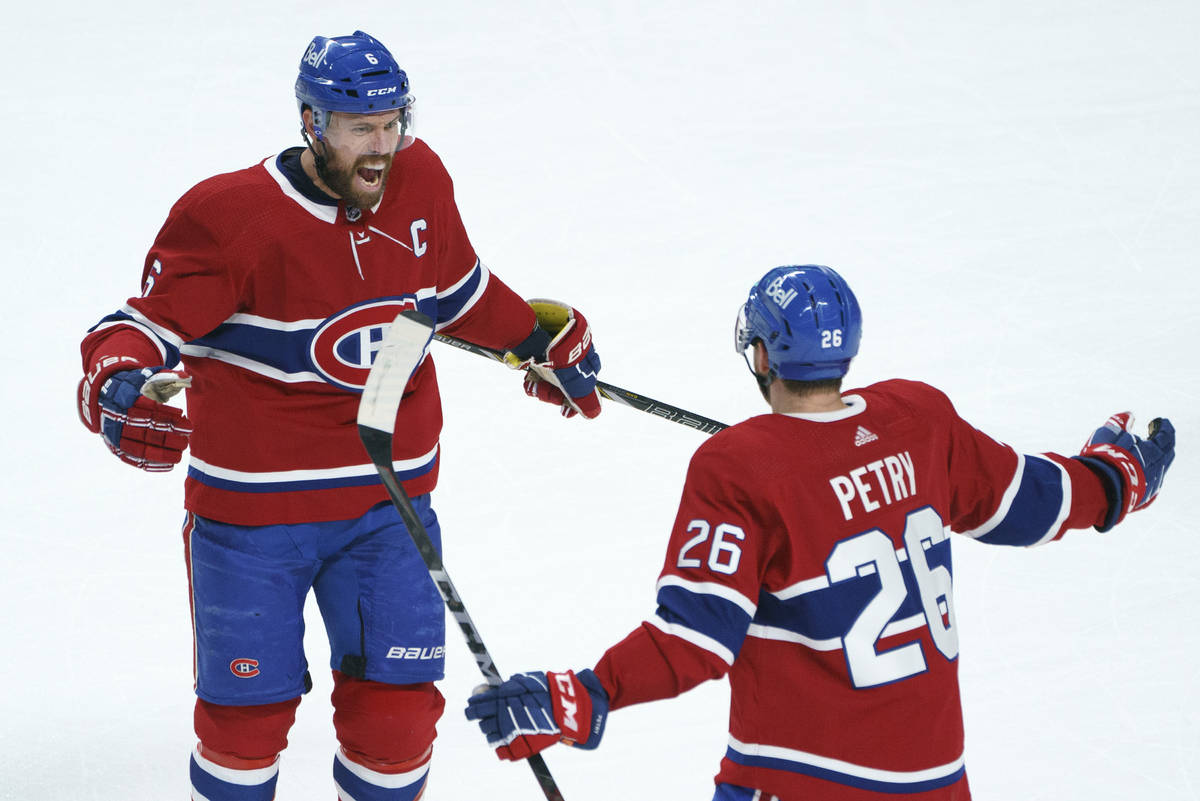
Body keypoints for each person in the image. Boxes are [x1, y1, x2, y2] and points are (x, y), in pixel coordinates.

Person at [76, 30, 602, 801]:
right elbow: (134, 331)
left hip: (388, 509)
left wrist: (535, 339)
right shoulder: (229, 218)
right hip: (253, 524)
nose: (383, 146)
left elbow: (457, 296)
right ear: (310, 121)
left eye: (394, 123)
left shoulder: (420, 181)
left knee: (397, 724)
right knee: (243, 727)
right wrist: (119, 387)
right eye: (362, 128)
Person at [464, 264, 1176, 800]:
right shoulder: (919, 420)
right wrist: (1116, 479)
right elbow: (1029, 500)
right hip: (938, 780)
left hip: (801, 779)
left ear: (764, 357)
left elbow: (696, 638)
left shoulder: (739, 467)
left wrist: (585, 693)